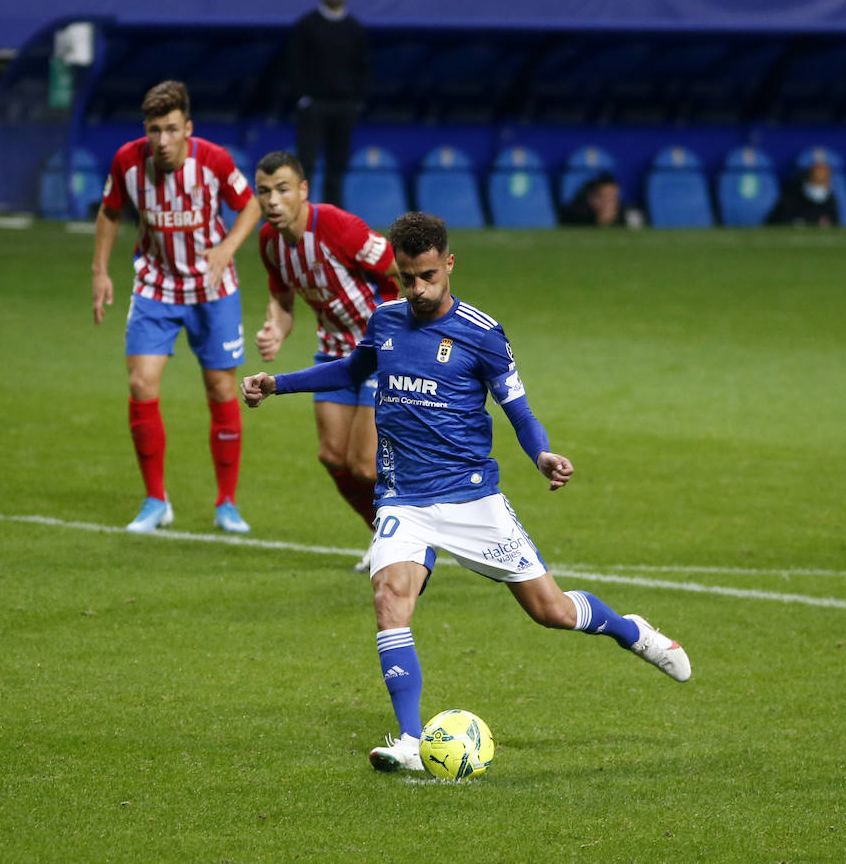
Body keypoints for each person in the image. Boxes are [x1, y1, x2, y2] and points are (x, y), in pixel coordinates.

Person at [241, 212, 691, 772]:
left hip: (473, 500)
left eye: (428, 275)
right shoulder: (384, 322)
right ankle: (410, 741)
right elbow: (353, 370)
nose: (418, 289)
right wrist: (278, 383)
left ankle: (633, 631)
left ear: (449, 264)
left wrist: (542, 454)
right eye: (407, 277)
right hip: (403, 498)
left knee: (550, 611)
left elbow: (519, 412)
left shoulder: (482, 333)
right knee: (389, 602)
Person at [91, 80, 261, 534]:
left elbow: (250, 206)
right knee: (141, 384)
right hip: (155, 285)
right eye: (153, 130)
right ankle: (155, 500)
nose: (162, 141)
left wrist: (226, 248)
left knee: (222, 390)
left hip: (212, 287)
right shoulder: (128, 161)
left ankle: (226, 503)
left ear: (188, 127)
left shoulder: (214, 161)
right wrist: (100, 271)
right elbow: (109, 211)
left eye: (170, 129)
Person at [253, 150, 401, 571]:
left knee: (363, 462)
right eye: (264, 192)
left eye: (282, 190)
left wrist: (411, 330)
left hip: (379, 348)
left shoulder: (336, 226)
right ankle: (383, 536)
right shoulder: (270, 242)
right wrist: (274, 330)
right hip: (335, 350)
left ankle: (408, 534)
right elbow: (282, 302)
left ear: (302, 190)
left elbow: (399, 267)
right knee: (333, 458)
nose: (273, 201)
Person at [288, 0, 369, 208]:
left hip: (345, 106)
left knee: (338, 165)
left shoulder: (355, 28)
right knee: (306, 164)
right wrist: (302, 98)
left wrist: (356, 101)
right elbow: (294, 64)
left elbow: (362, 67)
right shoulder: (306, 26)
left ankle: (334, 217)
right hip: (313, 105)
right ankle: (297, 213)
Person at [765, 161, 839, 227]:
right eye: (816, 179)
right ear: (808, 177)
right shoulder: (792, 195)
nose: (819, 183)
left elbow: (834, 222)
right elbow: (780, 220)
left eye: (823, 180)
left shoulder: (831, 199)